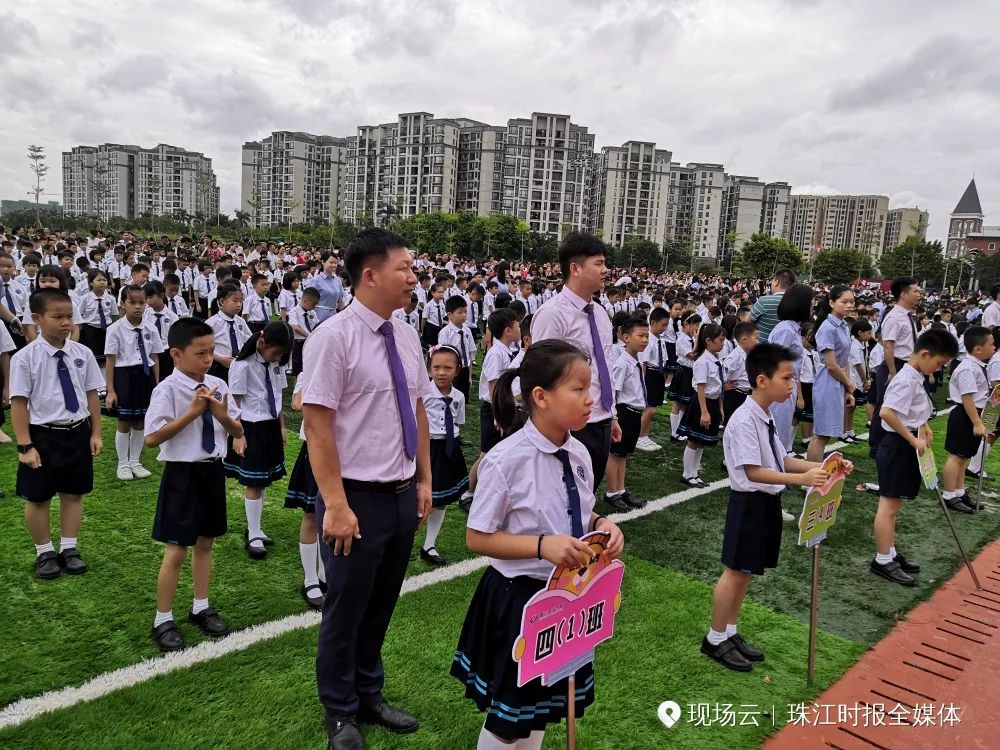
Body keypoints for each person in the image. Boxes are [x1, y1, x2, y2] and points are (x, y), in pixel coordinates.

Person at [451, 340, 624, 747]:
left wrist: (603, 524)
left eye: (589, 388)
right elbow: (476, 536)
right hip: (520, 599)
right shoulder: (506, 460)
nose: (590, 399)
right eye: (578, 389)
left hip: (569, 598)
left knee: (541, 710)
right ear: (541, 397)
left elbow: (579, 510)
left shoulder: (579, 452)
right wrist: (542, 546)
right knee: (508, 718)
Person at [301, 228, 429, 749]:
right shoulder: (333, 338)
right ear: (370, 275)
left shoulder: (407, 334)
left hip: (400, 493)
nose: (413, 277)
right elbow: (317, 426)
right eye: (405, 268)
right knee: (345, 609)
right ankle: (340, 710)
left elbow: (418, 407)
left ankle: (368, 692)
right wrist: (335, 505)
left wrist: (423, 478)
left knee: (380, 604)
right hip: (354, 498)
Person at [703, 342, 844, 672]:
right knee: (735, 571)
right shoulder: (743, 420)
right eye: (786, 378)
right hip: (749, 502)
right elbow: (753, 471)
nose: (792, 384)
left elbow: (782, 458)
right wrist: (802, 479)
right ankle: (714, 637)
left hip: (765, 502)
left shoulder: (763, 414)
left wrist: (824, 467)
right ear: (762, 380)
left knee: (747, 571)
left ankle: (729, 631)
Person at [144, 317, 244, 652]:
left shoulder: (218, 385)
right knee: (176, 549)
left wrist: (221, 415)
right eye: (200, 353)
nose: (208, 359)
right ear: (176, 354)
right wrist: (192, 412)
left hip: (212, 472)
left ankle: (201, 605)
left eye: (211, 351)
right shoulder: (167, 389)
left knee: (205, 544)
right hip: (182, 475)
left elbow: (237, 430)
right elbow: (152, 438)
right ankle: (163, 618)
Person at [11, 289, 104, 579]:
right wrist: (25, 446)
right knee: (38, 496)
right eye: (58, 317)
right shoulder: (25, 358)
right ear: (37, 318)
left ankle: (69, 548)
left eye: (69, 316)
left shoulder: (82, 353)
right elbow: (19, 403)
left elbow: (91, 395)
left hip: (76, 432)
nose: (66, 322)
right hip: (42, 435)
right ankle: (45, 551)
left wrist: (95, 433)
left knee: (73, 492)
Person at [531, 233, 621, 490]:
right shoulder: (553, 314)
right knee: (563, 496)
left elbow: (605, 367)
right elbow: (540, 373)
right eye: (599, 263)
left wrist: (611, 414)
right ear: (575, 268)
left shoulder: (600, 313)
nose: (605, 270)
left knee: (588, 495)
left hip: (601, 421)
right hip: (569, 425)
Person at [871, 329, 958, 587]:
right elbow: (887, 413)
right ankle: (882, 559)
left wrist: (924, 426)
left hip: (905, 444)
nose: (938, 369)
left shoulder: (915, 376)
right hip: (897, 446)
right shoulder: (906, 380)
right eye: (939, 363)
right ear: (924, 354)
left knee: (895, 505)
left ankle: (890, 552)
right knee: (888, 506)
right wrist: (913, 439)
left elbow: (913, 410)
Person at [227, 322, 293, 560]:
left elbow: (278, 396)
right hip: (250, 427)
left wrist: (281, 427)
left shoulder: (275, 364)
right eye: (276, 352)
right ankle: (253, 532)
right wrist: (238, 435)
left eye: (282, 354)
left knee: (262, 480)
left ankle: (256, 526)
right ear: (262, 343)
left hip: (270, 426)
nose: (278, 358)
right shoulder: (241, 365)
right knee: (254, 482)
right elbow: (234, 403)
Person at [105, 284, 163, 481]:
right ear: (123, 304)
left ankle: (135, 461)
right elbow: (110, 360)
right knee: (125, 421)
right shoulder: (115, 329)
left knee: (140, 421)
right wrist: (111, 390)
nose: (138, 307)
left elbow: (154, 356)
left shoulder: (150, 328)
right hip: (124, 376)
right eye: (132, 302)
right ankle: (123, 463)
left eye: (141, 303)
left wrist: (157, 384)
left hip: (144, 376)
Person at [465, 308, 520, 506]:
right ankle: (469, 493)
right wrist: (498, 415)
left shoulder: (506, 351)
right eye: (517, 325)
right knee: (486, 453)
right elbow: (494, 387)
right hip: (493, 409)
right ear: (508, 330)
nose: (520, 328)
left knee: (498, 452)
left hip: (501, 407)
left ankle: (489, 490)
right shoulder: (496, 353)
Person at [419, 345, 469, 566]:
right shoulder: (423, 395)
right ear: (429, 368)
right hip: (427, 449)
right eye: (436, 367)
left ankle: (429, 544)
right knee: (421, 499)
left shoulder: (459, 396)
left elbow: (458, 421)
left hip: (449, 449)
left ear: (457, 370)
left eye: (448, 368)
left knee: (442, 500)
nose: (441, 372)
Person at [940, 326, 995, 514]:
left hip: (973, 414)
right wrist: (977, 423)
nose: (994, 347)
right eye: (991, 344)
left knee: (964, 457)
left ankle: (959, 492)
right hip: (965, 415)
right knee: (956, 456)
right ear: (978, 349)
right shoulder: (968, 368)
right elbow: (967, 397)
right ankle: (948, 495)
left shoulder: (977, 366)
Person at [284, 376, 328, 611]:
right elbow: (297, 403)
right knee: (311, 515)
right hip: (315, 448)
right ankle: (310, 579)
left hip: (346, 451)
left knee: (334, 513)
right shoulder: (310, 372)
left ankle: (324, 573)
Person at [868, 277, 921, 459]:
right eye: (915, 291)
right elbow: (888, 345)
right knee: (884, 406)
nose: (919, 295)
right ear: (903, 294)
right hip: (895, 364)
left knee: (899, 405)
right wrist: (892, 371)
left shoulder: (907, 316)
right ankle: (876, 445)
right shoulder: (894, 316)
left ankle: (893, 439)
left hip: (905, 364)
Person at [807, 286, 856, 463]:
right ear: (831, 303)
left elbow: (843, 361)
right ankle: (811, 474)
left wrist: (847, 388)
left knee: (825, 434)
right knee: (821, 434)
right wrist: (848, 384)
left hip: (837, 380)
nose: (849, 305)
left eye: (852, 301)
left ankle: (813, 473)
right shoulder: (828, 328)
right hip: (828, 382)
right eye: (845, 301)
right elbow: (831, 364)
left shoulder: (843, 326)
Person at [605, 316, 649, 510]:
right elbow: (613, 392)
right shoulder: (622, 363)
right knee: (615, 453)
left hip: (634, 414)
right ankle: (611, 492)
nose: (645, 340)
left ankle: (621, 490)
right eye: (640, 336)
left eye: (647, 336)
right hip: (623, 413)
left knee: (623, 454)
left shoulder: (635, 361)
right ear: (626, 337)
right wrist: (613, 417)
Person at [678, 323, 727, 487]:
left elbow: (719, 385)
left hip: (713, 402)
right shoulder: (703, 361)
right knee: (694, 439)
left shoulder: (716, 359)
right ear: (708, 341)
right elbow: (701, 387)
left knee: (701, 441)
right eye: (720, 340)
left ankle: (694, 473)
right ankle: (687, 474)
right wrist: (704, 412)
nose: (723, 344)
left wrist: (720, 408)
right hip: (702, 403)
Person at [637, 306, 670, 452]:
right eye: (663, 325)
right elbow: (644, 363)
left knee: (653, 408)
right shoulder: (648, 340)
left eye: (667, 325)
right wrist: (642, 382)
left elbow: (664, 359)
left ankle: (645, 435)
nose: (665, 328)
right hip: (649, 374)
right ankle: (639, 436)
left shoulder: (660, 339)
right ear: (653, 323)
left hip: (658, 375)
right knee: (649, 409)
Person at [206, 283, 251, 382]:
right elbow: (204, 347)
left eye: (241, 301)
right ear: (222, 301)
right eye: (235, 301)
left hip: (238, 365)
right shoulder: (212, 323)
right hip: (218, 366)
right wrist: (220, 359)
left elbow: (249, 341)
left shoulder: (240, 321)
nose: (239, 304)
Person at [667, 312, 700, 441]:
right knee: (678, 403)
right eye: (695, 324)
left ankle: (681, 429)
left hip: (691, 372)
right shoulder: (682, 339)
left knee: (686, 403)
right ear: (686, 324)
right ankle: (674, 432)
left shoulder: (692, 338)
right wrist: (698, 342)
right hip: (684, 372)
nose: (697, 327)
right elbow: (692, 355)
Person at [437, 295, 476, 402]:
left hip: (464, 369)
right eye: (460, 312)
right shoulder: (445, 333)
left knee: (463, 399)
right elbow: (443, 356)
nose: (464, 315)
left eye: (465, 312)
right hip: (452, 371)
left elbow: (469, 353)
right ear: (450, 315)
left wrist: (469, 375)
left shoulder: (467, 331)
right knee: (451, 398)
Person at [77, 269, 117, 366]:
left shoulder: (111, 299)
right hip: (90, 328)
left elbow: (114, 315)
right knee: (91, 354)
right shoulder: (85, 298)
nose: (102, 282)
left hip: (106, 328)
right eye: (99, 280)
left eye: (104, 280)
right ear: (91, 283)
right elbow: (79, 315)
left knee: (106, 352)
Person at [144, 280, 179, 379]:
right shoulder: (144, 315)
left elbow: (175, 341)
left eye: (151, 297)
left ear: (162, 295)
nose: (148, 301)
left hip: (166, 354)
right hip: (150, 353)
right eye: (146, 298)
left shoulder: (172, 317)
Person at [722, 320, 757, 420]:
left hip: (744, 394)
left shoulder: (747, 354)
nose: (757, 341)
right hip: (734, 395)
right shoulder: (734, 356)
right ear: (744, 340)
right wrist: (723, 386)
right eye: (756, 338)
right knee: (730, 419)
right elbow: (722, 373)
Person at [748, 269, 795, 342]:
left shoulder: (764, 301)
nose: (771, 284)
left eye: (772, 281)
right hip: (785, 347)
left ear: (776, 282)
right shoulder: (796, 303)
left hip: (763, 346)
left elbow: (748, 321)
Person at [288, 286, 320, 376]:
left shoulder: (312, 313)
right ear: (306, 301)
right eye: (313, 304)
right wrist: (309, 336)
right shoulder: (293, 312)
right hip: (299, 343)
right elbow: (295, 327)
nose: (314, 307)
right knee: (298, 368)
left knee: (310, 365)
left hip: (311, 343)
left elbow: (317, 325)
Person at [305, 250, 344, 323]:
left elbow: (340, 301)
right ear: (323, 262)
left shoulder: (337, 280)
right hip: (319, 317)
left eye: (335, 263)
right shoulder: (315, 281)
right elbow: (308, 301)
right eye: (331, 262)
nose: (334, 265)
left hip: (334, 317)